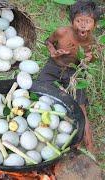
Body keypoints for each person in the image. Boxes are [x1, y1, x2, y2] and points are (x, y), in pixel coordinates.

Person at [37, 0, 100, 152]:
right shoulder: (62, 33)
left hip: (74, 72)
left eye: (88, 22)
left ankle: (89, 145)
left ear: (95, 25)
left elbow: (94, 58)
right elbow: (48, 41)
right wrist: (53, 51)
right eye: (79, 21)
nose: (83, 25)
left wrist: (90, 58)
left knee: (80, 106)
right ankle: (42, 130)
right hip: (53, 66)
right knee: (39, 91)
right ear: (72, 22)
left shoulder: (92, 42)